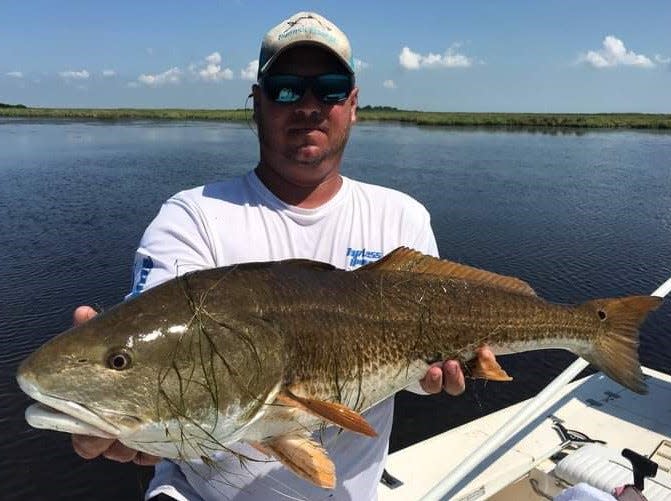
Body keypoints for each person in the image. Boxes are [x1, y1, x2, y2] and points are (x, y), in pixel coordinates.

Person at [71, 11, 496, 500]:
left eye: (331, 88)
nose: (310, 106)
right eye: (287, 89)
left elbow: (419, 374)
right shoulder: (193, 217)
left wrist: (434, 379)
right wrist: (116, 380)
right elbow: (163, 342)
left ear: (353, 104)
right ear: (257, 104)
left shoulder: (401, 218)